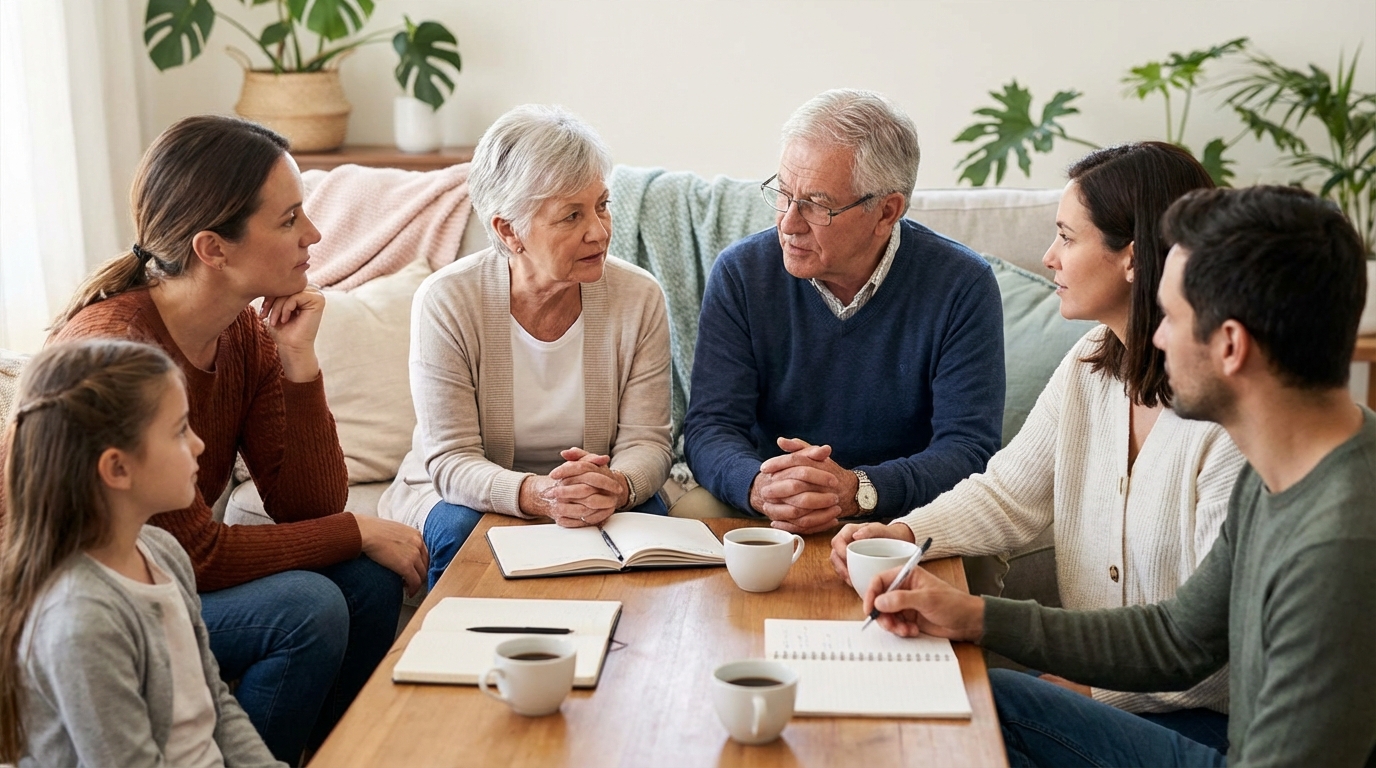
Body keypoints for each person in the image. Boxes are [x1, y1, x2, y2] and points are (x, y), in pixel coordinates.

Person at [861, 186, 1376, 767]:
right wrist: (973, 616)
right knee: (987, 699)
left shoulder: (1339, 547)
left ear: (1231, 345)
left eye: (1173, 318)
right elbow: (1179, 638)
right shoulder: (1284, 465)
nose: (1153, 336)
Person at [39, 115, 427, 763]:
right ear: (212, 248)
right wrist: (359, 529)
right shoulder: (117, 351)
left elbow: (308, 505)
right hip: (77, 608)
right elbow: (195, 551)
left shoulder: (244, 334)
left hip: (155, 575)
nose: (315, 234)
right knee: (306, 608)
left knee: (367, 582)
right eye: (289, 220)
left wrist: (299, 367)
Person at [829, 142, 1244, 748]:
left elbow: (1214, 639)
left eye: (1066, 238)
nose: (1048, 257)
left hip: (1204, 722)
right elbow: (1008, 495)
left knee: (978, 709)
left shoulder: (1223, 422)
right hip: (1102, 691)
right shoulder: (1090, 365)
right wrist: (905, 534)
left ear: (1132, 257)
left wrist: (1093, 690)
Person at [682, 89, 1005, 534]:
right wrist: (758, 485)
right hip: (773, 497)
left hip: (904, 507)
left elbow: (969, 448)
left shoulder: (962, 285)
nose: (788, 223)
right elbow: (710, 426)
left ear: (886, 211)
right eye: (782, 193)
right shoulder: (742, 273)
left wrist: (858, 490)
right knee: (687, 515)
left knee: (975, 547)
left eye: (816, 204)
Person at [379, 104, 673, 589]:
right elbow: (451, 459)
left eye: (602, 204)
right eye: (571, 216)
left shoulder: (639, 296)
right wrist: (538, 494)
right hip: (468, 493)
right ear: (508, 230)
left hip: (598, 491)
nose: (599, 231)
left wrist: (617, 487)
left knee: (652, 520)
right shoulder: (448, 299)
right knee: (458, 532)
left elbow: (647, 441)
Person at [0, 339, 282, 767]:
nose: (199, 445)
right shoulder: (82, 618)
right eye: (180, 429)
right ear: (117, 468)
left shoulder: (161, 552)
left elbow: (215, 702)